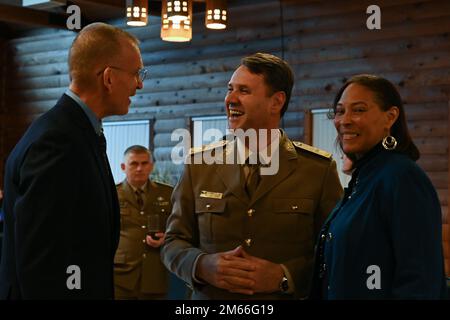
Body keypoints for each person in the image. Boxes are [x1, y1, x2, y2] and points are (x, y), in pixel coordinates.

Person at [161, 52, 343, 299]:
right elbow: (173, 242)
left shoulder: (317, 170)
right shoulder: (199, 164)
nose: (230, 99)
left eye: (243, 91)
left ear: (276, 102)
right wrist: (202, 265)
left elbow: (335, 252)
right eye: (229, 89)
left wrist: (284, 276)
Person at [0, 23, 145, 299]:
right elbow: (42, 265)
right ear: (109, 77)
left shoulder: (77, 131)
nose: (139, 84)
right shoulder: (57, 142)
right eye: (136, 73)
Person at [310, 74, 447, 299]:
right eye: (340, 111)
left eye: (359, 110)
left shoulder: (401, 177)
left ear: (390, 117)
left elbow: (420, 279)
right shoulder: (365, 179)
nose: (344, 120)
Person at [114, 145, 173, 300]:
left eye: (144, 163)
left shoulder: (168, 193)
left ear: (151, 166)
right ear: (123, 167)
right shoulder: (112, 194)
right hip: (120, 276)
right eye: (134, 164)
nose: (139, 168)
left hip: (155, 274)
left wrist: (166, 237)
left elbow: (180, 228)